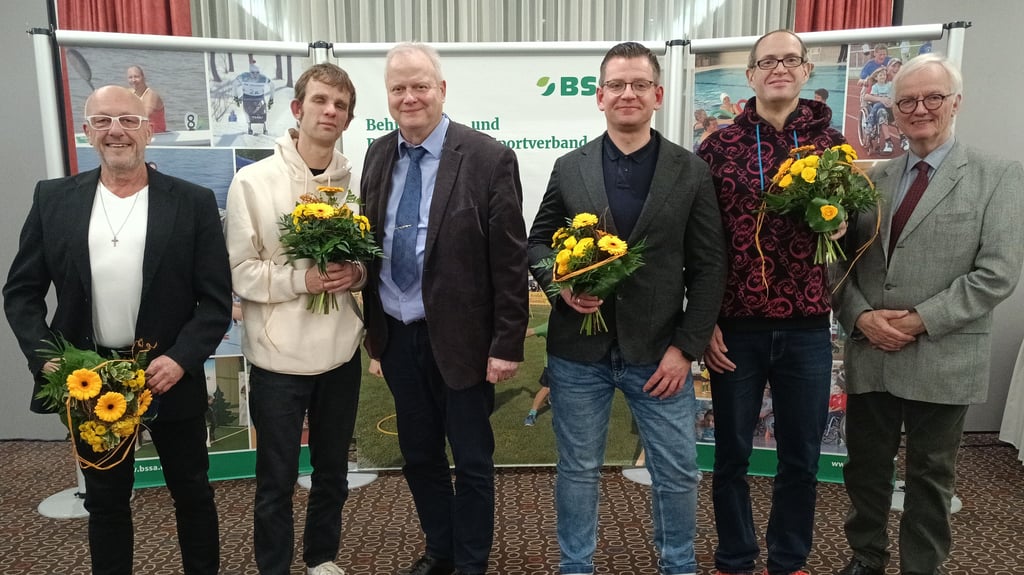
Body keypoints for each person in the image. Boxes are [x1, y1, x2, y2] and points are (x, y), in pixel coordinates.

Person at [3, 85, 231, 575]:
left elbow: (214, 301)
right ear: (87, 133)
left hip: (168, 374)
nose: (116, 131)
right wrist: (45, 357)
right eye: (103, 122)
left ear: (148, 128)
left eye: (127, 120)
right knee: (105, 502)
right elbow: (20, 292)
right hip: (89, 380)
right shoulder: (53, 199)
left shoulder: (191, 202)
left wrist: (183, 357)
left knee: (192, 493)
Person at [528, 41, 726, 575]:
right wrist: (561, 286)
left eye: (639, 84)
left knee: (678, 472)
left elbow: (710, 267)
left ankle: (678, 564)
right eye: (616, 84)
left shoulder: (690, 171)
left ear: (658, 94)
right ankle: (576, 566)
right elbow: (539, 243)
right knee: (578, 470)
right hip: (577, 353)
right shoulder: (569, 167)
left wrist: (686, 349)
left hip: (660, 354)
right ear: (599, 96)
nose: (628, 94)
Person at [835, 53, 1024, 575]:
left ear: (955, 103)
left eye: (933, 98)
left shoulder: (998, 176)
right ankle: (865, 557)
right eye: (907, 101)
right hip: (870, 348)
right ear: (893, 112)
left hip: (943, 352)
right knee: (865, 469)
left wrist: (918, 320)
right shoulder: (866, 179)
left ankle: (921, 567)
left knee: (930, 475)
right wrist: (862, 317)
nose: (920, 108)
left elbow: (997, 274)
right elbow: (839, 261)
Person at [360, 42, 529, 575]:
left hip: (464, 341)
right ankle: (442, 551)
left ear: (442, 90)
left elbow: (509, 259)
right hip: (397, 332)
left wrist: (507, 344)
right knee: (420, 457)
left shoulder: (487, 157)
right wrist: (374, 336)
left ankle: (472, 562)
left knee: (473, 461)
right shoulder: (377, 153)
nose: (409, 97)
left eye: (420, 86)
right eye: (398, 88)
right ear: (387, 96)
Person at [697, 29, 846, 575]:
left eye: (789, 59)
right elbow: (701, 239)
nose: (778, 68)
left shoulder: (833, 147)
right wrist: (704, 317)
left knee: (800, 458)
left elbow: (852, 235)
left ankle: (789, 561)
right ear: (751, 76)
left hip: (808, 325)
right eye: (767, 61)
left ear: (806, 71)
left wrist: (845, 222)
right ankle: (735, 558)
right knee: (731, 454)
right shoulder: (718, 146)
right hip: (736, 325)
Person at [225, 63, 364, 575]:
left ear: (348, 119)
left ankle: (322, 558)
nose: (331, 111)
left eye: (341, 105)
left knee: (332, 473)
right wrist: (299, 281)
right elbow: (241, 272)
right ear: (297, 108)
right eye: (322, 100)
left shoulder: (354, 183)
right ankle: (274, 567)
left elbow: (369, 260)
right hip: (278, 359)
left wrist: (357, 274)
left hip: (340, 353)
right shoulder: (253, 182)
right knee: (276, 478)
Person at [233, 61, 275, 136]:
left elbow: (272, 85)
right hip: (247, 98)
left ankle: (263, 126)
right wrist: (235, 97)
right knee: (249, 113)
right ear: (249, 72)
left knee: (262, 113)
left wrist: (271, 99)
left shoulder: (263, 78)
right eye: (253, 72)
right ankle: (249, 125)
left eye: (257, 72)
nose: (255, 75)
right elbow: (234, 84)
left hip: (259, 98)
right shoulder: (244, 76)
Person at [523, 322, 550, 427]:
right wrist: (512, 332)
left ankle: (552, 398)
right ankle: (532, 414)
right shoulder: (549, 325)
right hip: (552, 364)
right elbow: (530, 332)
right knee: (547, 388)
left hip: (567, 365)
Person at [127, 65, 167, 133]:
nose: (133, 80)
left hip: (156, 134)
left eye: (136, 77)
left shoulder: (151, 95)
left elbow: (144, 116)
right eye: (130, 77)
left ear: (144, 78)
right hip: (139, 131)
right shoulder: (129, 92)